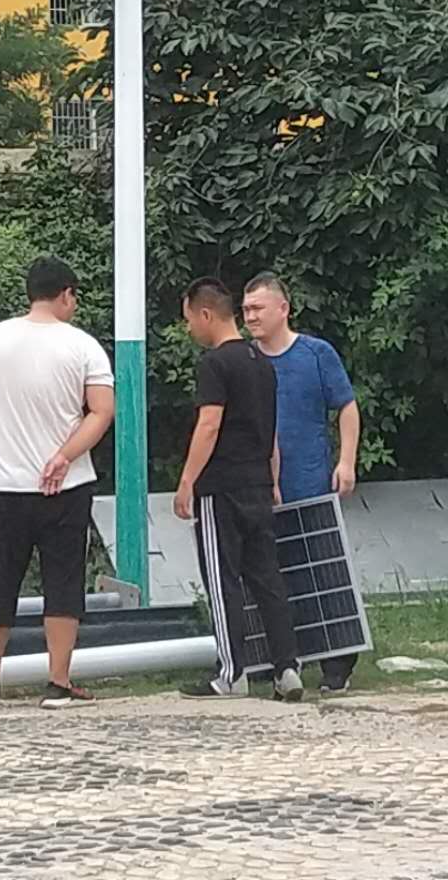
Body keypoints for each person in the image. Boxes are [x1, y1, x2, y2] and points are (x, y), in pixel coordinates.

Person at [0, 255, 115, 709]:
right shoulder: (83, 346)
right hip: (67, 487)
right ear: (66, 294)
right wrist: (65, 456)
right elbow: (101, 411)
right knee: (63, 580)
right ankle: (58, 683)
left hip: (4, 486)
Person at [174, 277, 304, 702]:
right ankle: (287, 668)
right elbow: (270, 431)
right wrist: (273, 480)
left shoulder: (215, 364)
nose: (189, 328)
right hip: (259, 484)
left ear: (206, 314)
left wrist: (188, 481)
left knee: (222, 578)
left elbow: (209, 424)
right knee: (267, 577)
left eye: (190, 319)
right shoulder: (261, 363)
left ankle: (231, 673)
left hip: (222, 487)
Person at [242, 271, 362, 696]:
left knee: (323, 573)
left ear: (283, 309)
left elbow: (347, 406)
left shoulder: (316, 354)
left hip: (310, 483)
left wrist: (346, 461)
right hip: (258, 489)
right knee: (271, 577)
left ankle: (338, 662)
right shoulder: (243, 360)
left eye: (258, 308)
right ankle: (275, 658)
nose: (250, 316)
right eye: (245, 309)